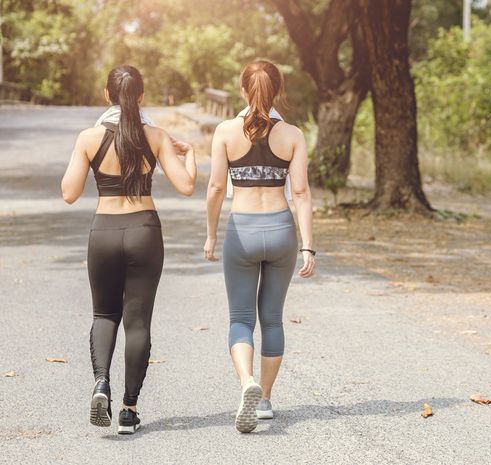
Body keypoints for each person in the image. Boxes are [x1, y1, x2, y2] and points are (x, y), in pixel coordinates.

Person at [60, 65, 197, 434]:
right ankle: (128, 410)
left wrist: (85, 156)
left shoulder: (89, 138)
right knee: (138, 323)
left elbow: (69, 193)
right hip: (144, 231)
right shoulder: (155, 136)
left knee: (104, 315)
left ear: (107, 96)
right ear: (141, 96)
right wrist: (191, 154)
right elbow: (186, 186)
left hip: (103, 231)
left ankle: (101, 382)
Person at [204, 60, 315, 433]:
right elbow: (300, 192)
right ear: (279, 90)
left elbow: (217, 188)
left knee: (240, 319)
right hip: (282, 230)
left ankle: (246, 383)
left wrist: (210, 234)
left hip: (242, 230)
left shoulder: (224, 132)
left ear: (241, 89)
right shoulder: (294, 135)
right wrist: (308, 246)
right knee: (272, 318)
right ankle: (265, 400)